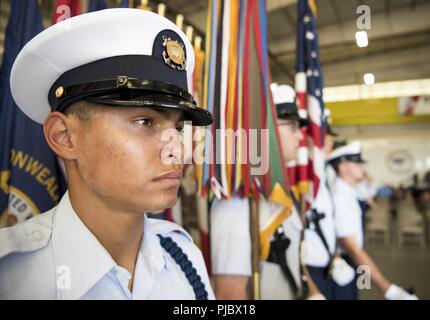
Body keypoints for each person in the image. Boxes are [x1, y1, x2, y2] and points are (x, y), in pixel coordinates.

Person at [0, 9, 215, 300]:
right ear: (64, 137)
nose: (177, 150)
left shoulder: (185, 258)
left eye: (177, 127)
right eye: (144, 122)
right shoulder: (12, 276)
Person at [210, 84, 322, 300]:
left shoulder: (283, 192)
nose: (300, 137)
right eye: (292, 127)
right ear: (266, 131)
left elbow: (293, 259)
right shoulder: (238, 203)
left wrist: (314, 294)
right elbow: (230, 296)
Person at [328, 141, 418, 300]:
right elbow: (353, 249)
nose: (363, 167)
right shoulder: (340, 197)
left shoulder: (349, 190)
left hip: (355, 258)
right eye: (356, 163)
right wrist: (387, 289)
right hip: (346, 260)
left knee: (358, 290)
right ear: (342, 167)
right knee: (347, 295)